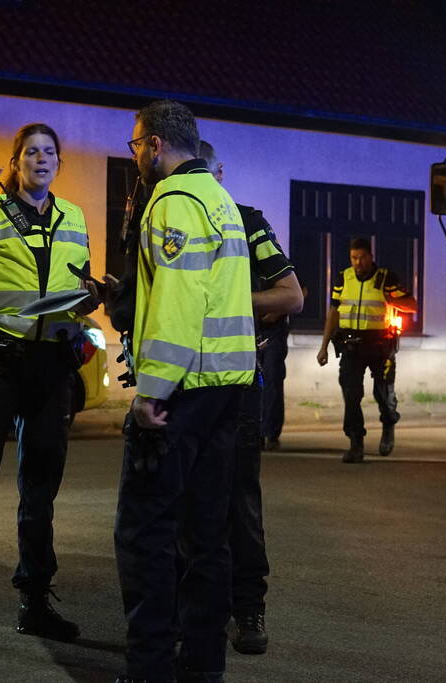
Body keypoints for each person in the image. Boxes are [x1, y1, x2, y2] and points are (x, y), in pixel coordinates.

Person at [113, 100, 256, 683]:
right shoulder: (222, 201)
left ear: (152, 144)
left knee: (145, 536)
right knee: (209, 539)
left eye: (134, 147)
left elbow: (177, 302)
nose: (135, 157)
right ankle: (203, 669)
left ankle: (148, 671)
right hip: (228, 392)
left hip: (181, 396)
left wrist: (151, 391)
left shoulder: (172, 202)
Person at [0, 123, 99, 652]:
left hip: (50, 365)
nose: (41, 159)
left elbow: (77, 286)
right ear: (14, 161)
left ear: (59, 163)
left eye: (50, 152)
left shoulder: (74, 216)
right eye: (31, 152)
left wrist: (90, 299)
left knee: (40, 493)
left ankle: (34, 601)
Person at [198, 140, 302, 655]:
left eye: (205, 171)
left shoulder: (245, 221)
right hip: (181, 382)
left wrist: (228, 303)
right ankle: (194, 610)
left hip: (237, 382)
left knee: (240, 501)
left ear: (218, 170)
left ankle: (248, 607)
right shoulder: (161, 217)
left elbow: (291, 296)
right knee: (182, 503)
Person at [316, 237, 417, 463]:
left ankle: (388, 424)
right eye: (354, 258)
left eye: (362, 257)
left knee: (383, 393)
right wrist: (323, 346)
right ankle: (355, 443)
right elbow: (333, 313)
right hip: (352, 344)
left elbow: (412, 305)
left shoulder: (385, 278)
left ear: (371, 257)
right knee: (351, 394)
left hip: (380, 344)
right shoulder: (344, 278)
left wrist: (390, 298)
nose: (357, 262)